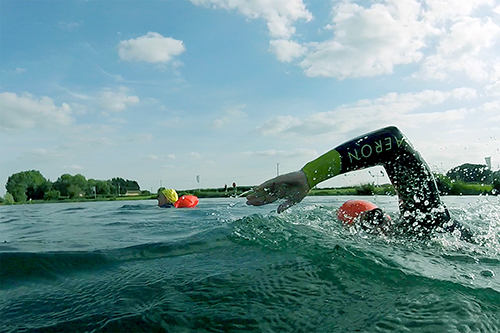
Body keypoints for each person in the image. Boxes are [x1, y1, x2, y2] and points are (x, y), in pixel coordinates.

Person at [246, 126, 474, 242]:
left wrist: (309, 176)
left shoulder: (427, 224)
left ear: (387, 216)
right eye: (366, 223)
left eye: (375, 217)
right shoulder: (420, 237)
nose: (376, 227)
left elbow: (393, 141)